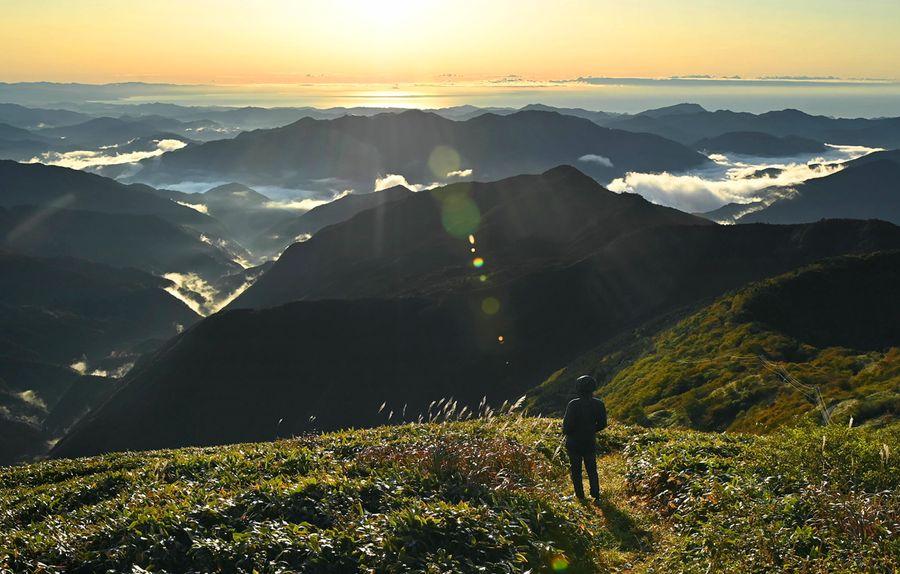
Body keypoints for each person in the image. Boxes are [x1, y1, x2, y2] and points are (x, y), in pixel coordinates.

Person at [562, 374, 607, 502]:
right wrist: (591, 430)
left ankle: (580, 495)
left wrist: (571, 432)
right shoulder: (599, 404)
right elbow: (603, 424)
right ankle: (595, 494)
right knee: (592, 469)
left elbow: (566, 426)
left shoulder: (573, 404)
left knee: (576, 469)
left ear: (578, 389)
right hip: (589, 441)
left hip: (574, 443)